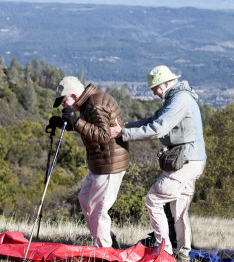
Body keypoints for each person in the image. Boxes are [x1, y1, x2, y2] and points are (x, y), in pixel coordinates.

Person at [110, 65, 206, 261]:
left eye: (155, 87)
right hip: (192, 160)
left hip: (186, 161)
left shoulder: (179, 99)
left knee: (153, 200)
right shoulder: (175, 97)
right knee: (178, 211)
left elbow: (158, 128)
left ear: (167, 83)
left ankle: (164, 250)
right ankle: (184, 252)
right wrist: (126, 126)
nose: (154, 92)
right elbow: (152, 119)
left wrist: (124, 134)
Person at [49, 76, 129, 248]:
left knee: (99, 210)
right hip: (100, 162)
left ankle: (104, 251)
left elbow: (103, 135)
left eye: (64, 101)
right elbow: (90, 126)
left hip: (109, 163)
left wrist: (75, 121)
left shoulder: (95, 104)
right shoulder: (88, 103)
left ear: (74, 96)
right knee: (85, 199)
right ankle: (105, 239)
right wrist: (67, 123)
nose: (63, 105)